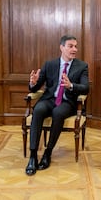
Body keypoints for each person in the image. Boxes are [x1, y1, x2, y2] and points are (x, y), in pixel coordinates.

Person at [25, 35, 89, 176]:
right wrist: (33, 83)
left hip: (68, 102)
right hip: (49, 99)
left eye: (75, 46)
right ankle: (33, 155)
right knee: (38, 110)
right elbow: (35, 89)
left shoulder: (82, 66)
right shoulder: (50, 65)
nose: (74, 49)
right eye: (70, 46)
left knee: (58, 113)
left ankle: (48, 153)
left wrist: (71, 85)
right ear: (62, 48)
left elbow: (85, 88)